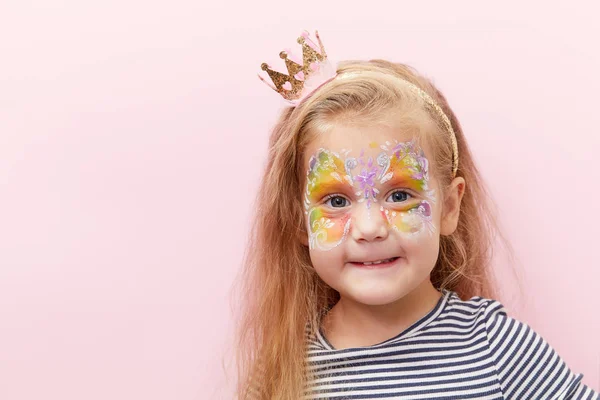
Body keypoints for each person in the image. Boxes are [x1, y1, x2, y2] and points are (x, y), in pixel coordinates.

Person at [232, 30, 600, 399]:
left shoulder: (497, 347)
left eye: (399, 195)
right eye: (337, 201)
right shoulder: (284, 366)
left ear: (450, 207)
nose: (370, 228)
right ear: (299, 220)